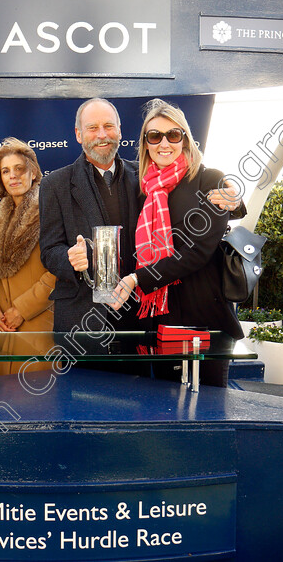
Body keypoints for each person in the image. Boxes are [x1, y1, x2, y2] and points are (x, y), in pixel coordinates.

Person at [39, 98, 243, 334]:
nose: (102, 134)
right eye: (92, 128)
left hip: (139, 313)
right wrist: (69, 258)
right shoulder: (55, 184)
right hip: (82, 316)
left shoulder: (145, 176)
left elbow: (198, 199)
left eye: (108, 126)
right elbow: (49, 250)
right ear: (78, 134)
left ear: (119, 131)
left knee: (145, 372)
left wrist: (235, 201)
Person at [107, 99, 243, 388]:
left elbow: (197, 252)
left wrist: (137, 279)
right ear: (145, 143)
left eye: (173, 134)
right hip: (159, 319)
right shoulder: (143, 190)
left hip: (205, 318)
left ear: (185, 139)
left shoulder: (210, 180)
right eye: (155, 136)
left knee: (209, 410)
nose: (164, 143)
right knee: (168, 409)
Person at [0, 138, 56, 375]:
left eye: (19, 169)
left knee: (40, 406)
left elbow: (58, 272)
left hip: (38, 328)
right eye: (5, 171)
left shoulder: (52, 211)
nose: (12, 176)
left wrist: (21, 310)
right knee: (2, 402)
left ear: (33, 172)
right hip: (1, 333)